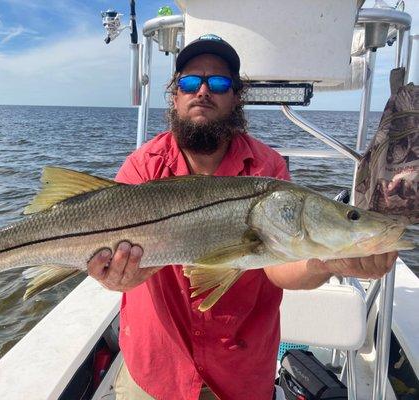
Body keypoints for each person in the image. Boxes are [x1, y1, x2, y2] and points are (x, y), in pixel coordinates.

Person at [87, 34, 397, 400]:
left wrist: (329, 263)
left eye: (219, 83)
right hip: (156, 371)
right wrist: (117, 279)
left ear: (236, 97)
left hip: (240, 375)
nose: (203, 91)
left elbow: (277, 265)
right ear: (175, 95)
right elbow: (116, 269)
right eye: (189, 82)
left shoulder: (268, 168)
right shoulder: (143, 165)